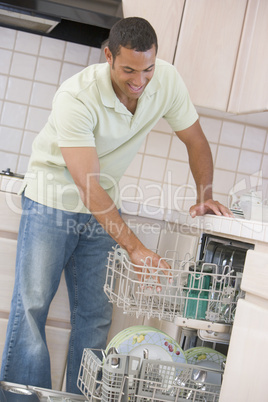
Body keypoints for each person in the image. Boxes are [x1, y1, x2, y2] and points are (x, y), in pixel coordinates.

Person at [0, 17, 232, 394]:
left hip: (103, 207)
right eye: (128, 70)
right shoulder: (76, 96)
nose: (140, 81)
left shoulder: (167, 81)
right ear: (108, 56)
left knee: (94, 317)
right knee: (32, 308)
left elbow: (196, 140)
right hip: (51, 200)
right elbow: (86, 185)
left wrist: (205, 195)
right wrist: (136, 248)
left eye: (148, 69)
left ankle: (80, 397)